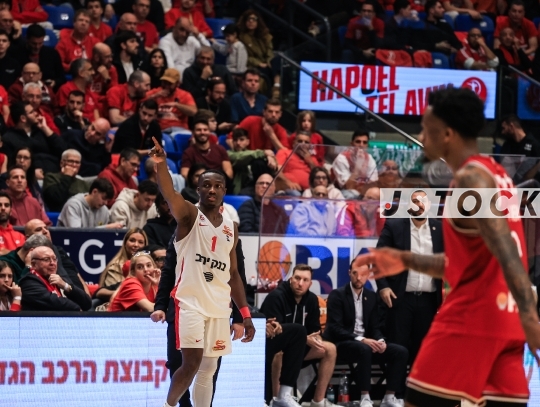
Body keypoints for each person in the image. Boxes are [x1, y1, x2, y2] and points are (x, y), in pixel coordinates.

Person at [354, 88, 540, 407]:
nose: (421, 136)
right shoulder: (496, 175)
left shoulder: (470, 179)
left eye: (426, 129)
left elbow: (506, 252)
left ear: (448, 134)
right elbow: (466, 262)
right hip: (504, 322)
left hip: (472, 317)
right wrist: (404, 258)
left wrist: (531, 316)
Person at [149, 137, 255, 407]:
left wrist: (245, 314)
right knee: (191, 363)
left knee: (209, 368)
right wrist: (161, 165)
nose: (212, 189)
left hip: (219, 307)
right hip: (191, 304)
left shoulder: (231, 226)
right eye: (206, 185)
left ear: (224, 191)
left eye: (218, 186)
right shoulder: (189, 216)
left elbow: (233, 274)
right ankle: (168, 405)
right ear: (198, 189)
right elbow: (169, 193)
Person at [324, 260, 408, 407]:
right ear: (349, 273)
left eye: (363, 274)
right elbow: (335, 328)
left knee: (400, 352)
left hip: (366, 344)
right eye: (355, 273)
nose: (359, 278)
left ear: (368, 275)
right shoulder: (337, 295)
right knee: (365, 349)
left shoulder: (372, 296)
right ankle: (365, 397)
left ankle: (389, 397)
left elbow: (375, 327)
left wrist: (380, 340)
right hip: (343, 344)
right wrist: (361, 339)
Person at [376, 190, 444, 364]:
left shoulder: (440, 229)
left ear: (429, 205)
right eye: (415, 201)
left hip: (429, 301)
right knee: (398, 348)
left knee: (423, 350)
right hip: (400, 298)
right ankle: (395, 383)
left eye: (422, 201)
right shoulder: (395, 226)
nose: (419, 205)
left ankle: (417, 382)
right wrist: (383, 286)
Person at [260, 264, 338, 407]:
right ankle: (277, 399)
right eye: (297, 278)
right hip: (277, 349)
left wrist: (316, 340)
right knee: (280, 354)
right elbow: (275, 334)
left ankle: (318, 401)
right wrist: (304, 338)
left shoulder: (312, 299)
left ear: (310, 283)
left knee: (330, 349)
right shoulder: (276, 297)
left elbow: (315, 331)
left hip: (300, 348)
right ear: (291, 279)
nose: (300, 283)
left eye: (305, 280)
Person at [19, 245, 92, 311]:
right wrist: (78, 309)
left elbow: (87, 303)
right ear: (34, 264)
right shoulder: (28, 282)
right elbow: (54, 302)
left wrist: (65, 286)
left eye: (54, 259)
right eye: (46, 259)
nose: (52, 263)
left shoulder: (59, 279)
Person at [2, 101, 63, 174]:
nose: (36, 113)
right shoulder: (8, 138)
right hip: (29, 177)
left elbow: (62, 150)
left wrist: (45, 128)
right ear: (23, 118)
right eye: (32, 112)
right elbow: (11, 166)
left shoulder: (41, 131)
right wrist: (32, 173)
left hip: (54, 172)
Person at [237, 9, 280, 97]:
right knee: (263, 73)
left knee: (278, 61)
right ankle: (271, 95)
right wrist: (259, 63)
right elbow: (244, 55)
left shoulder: (265, 36)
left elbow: (269, 51)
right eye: (248, 19)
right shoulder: (240, 37)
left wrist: (268, 61)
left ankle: (277, 86)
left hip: (266, 62)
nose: (251, 21)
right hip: (252, 64)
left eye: (254, 19)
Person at [13, 24, 65, 91]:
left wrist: (55, 82)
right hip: (21, 90)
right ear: (27, 39)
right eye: (34, 43)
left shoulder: (52, 53)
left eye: (40, 43)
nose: (37, 47)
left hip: (47, 91)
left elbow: (61, 77)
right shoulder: (16, 54)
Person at [145, 67, 197, 132]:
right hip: (159, 131)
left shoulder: (185, 95)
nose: (166, 86)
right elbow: (139, 102)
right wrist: (155, 96)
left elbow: (194, 112)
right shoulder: (156, 92)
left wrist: (176, 105)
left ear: (178, 84)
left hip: (179, 130)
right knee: (153, 137)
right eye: (164, 82)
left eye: (170, 84)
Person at [228, 127, 277, 195]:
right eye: (235, 140)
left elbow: (273, 166)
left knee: (259, 162)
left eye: (241, 139)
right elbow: (239, 157)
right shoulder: (228, 154)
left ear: (248, 142)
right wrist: (264, 153)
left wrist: (269, 157)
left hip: (257, 184)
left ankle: (269, 190)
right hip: (242, 188)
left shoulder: (254, 154)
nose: (238, 143)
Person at [332, 129, 378, 199]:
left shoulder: (370, 159)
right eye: (358, 142)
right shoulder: (342, 158)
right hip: (342, 194)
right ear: (351, 144)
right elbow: (348, 187)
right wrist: (357, 167)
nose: (361, 145)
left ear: (367, 145)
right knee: (352, 194)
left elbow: (373, 184)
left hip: (363, 193)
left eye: (364, 142)